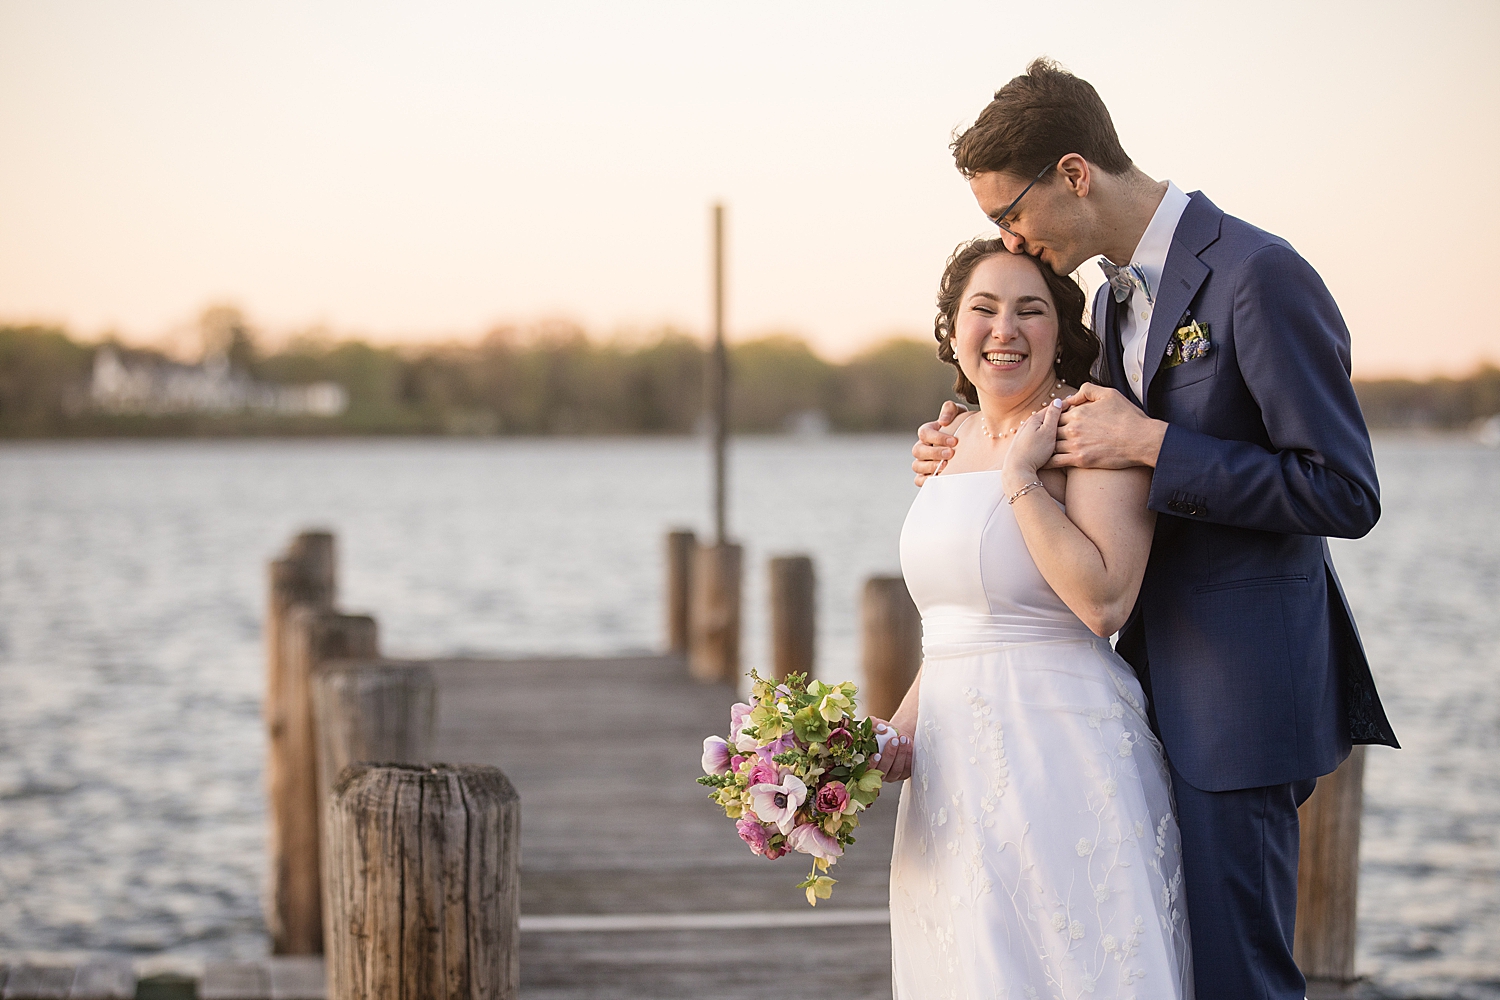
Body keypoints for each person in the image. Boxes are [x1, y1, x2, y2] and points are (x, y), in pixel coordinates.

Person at [905, 59, 1399, 999]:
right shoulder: (1117, 296)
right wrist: (972, 445)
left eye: (1013, 212)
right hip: (1133, 700)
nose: (1011, 239)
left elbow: (1344, 490)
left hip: (1241, 697)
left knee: (1238, 980)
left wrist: (1157, 442)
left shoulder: (1260, 275)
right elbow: (1089, 457)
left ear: (1075, 173)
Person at [872, 238, 1194, 998]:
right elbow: (955, 631)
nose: (1005, 329)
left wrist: (1022, 476)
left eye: (1030, 310)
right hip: (951, 776)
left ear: (1063, 330)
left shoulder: (1089, 430)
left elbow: (1104, 602)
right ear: (952, 330)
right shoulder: (946, 441)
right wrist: (887, 734)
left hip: (1058, 750)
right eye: (982, 310)